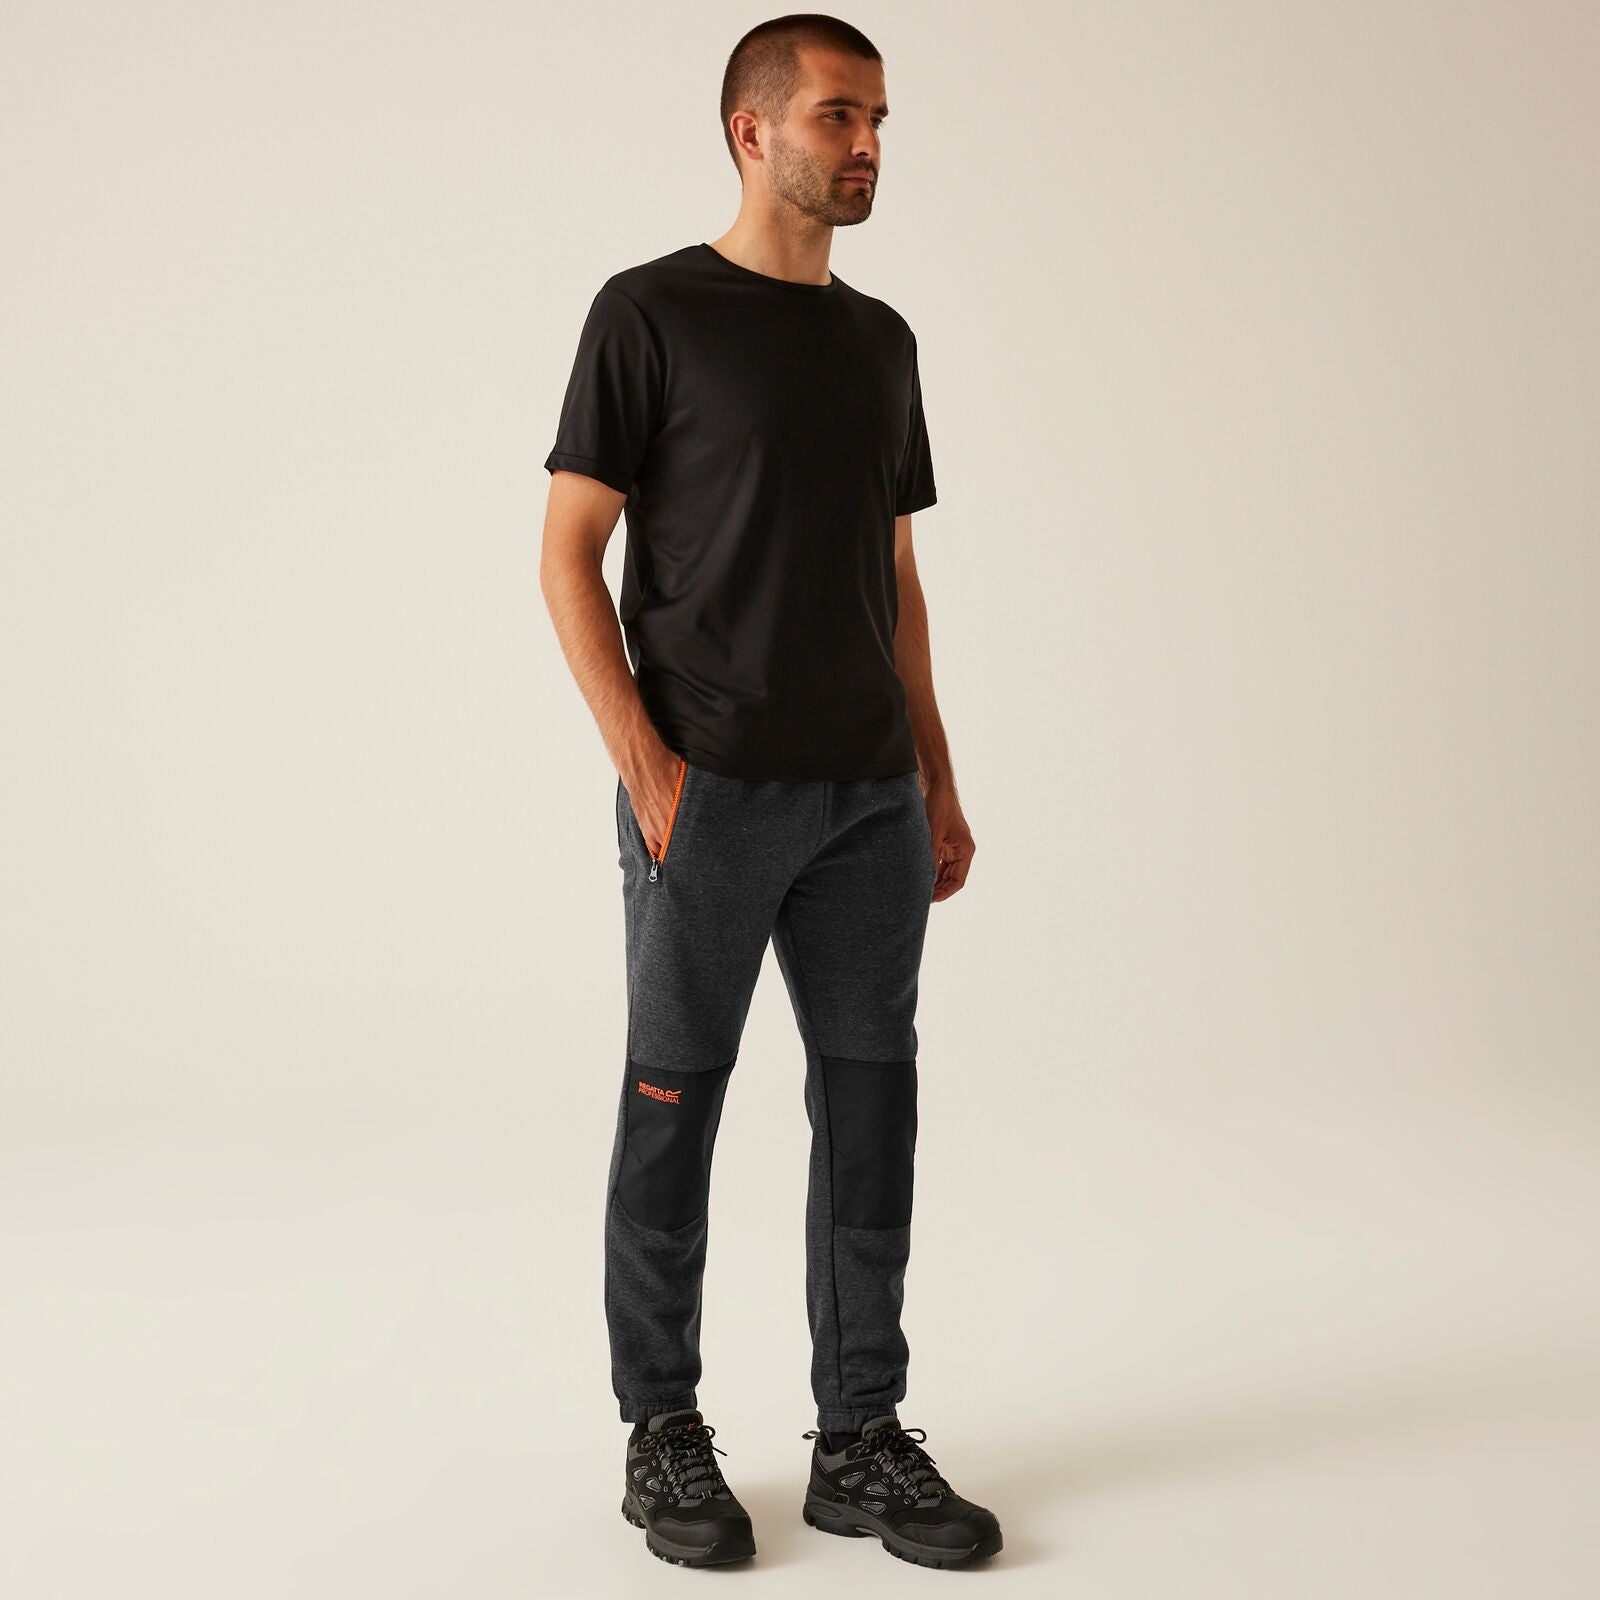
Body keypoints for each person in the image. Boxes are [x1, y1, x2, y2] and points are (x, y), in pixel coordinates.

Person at [539, 13, 1000, 1571]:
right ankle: (661, 1428)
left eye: (879, 122)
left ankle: (860, 1438)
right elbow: (566, 554)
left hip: (868, 801)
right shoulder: (649, 313)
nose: (867, 146)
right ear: (753, 129)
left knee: (872, 1113)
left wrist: (935, 775)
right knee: (673, 1111)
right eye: (838, 116)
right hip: (712, 793)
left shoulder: (884, 345)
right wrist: (647, 766)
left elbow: (897, 577)